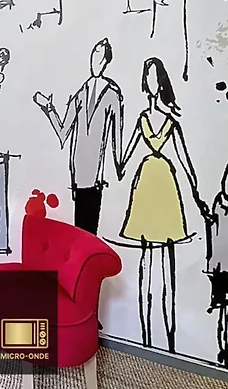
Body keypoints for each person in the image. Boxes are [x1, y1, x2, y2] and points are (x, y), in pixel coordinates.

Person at [115, 57, 212, 353]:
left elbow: (186, 162)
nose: (152, 81)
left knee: (168, 264)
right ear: (145, 82)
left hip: (166, 189)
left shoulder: (172, 122)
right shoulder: (142, 119)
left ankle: (169, 340)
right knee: (146, 262)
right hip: (145, 187)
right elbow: (122, 163)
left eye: (156, 76)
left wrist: (198, 197)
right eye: (148, 75)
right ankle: (144, 335)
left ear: (162, 82)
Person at [33, 37, 123, 235]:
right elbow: (63, 132)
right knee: (80, 232)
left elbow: (117, 141)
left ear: (106, 62)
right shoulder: (80, 94)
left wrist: (119, 170)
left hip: (96, 178)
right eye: (94, 55)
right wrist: (48, 108)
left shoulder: (112, 95)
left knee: (90, 234)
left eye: (100, 56)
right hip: (78, 175)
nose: (96, 61)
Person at [206, 163, 228, 365]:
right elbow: (213, 233)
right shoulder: (219, 202)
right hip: (220, 267)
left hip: (221, 265)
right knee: (221, 308)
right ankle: (223, 347)